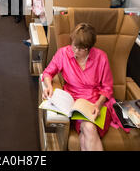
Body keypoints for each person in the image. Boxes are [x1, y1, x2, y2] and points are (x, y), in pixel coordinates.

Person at [41, 23, 116, 151]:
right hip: (74, 103)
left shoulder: (101, 57)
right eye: (74, 46)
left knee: (87, 130)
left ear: (89, 48)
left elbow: (107, 88)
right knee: (87, 128)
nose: (75, 51)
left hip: (96, 104)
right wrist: (48, 86)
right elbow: (48, 72)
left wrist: (98, 104)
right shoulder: (63, 53)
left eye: (81, 49)